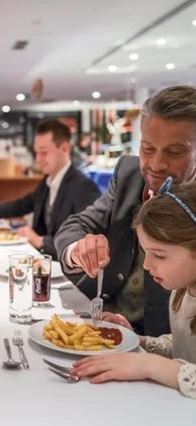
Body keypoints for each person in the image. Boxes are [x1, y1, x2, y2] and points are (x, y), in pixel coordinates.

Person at [55, 85, 196, 337]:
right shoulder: (129, 174)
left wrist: (142, 341)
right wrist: (78, 249)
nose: (156, 164)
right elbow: (75, 226)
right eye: (148, 149)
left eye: (175, 152)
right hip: (106, 321)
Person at [72, 179, 196, 399]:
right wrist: (138, 341)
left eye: (159, 255)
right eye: (145, 252)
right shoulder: (182, 291)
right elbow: (184, 348)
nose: (147, 266)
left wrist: (150, 365)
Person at [0, 119, 100, 259]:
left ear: (64, 148)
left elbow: (86, 243)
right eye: (36, 152)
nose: (38, 159)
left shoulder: (84, 188)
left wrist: (41, 241)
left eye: (44, 152)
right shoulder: (47, 181)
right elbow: (24, 204)